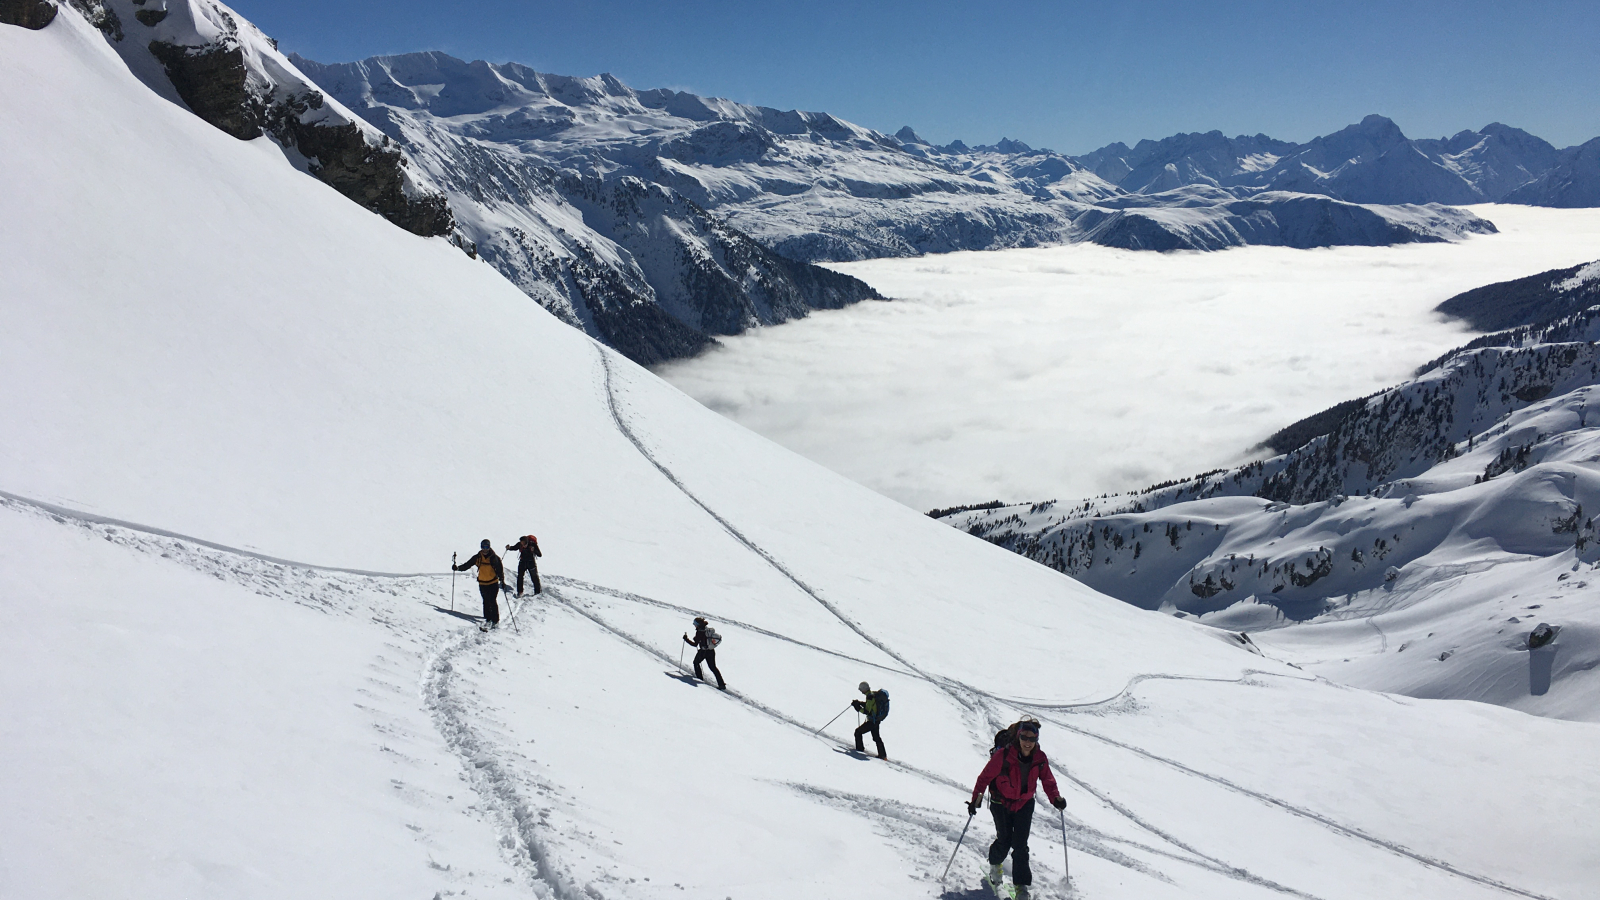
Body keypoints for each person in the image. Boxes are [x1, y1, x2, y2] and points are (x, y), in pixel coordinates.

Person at [967, 718, 1065, 900]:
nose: (1028, 742)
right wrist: (975, 800)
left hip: (1024, 804)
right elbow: (985, 777)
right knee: (1004, 841)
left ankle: (1021, 887)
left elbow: (1048, 780)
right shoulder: (1003, 755)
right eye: (1024, 737)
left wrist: (1056, 798)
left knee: (1020, 846)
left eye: (1032, 739)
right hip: (1000, 803)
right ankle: (995, 867)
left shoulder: (1039, 758)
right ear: (1018, 736)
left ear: (1036, 740)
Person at [454, 539, 507, 629]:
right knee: (485, 601)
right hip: (482, 583)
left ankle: (495, 621)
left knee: (492, 601)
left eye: (486, 547)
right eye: (483, 547)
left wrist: (502, 580)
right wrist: (458, 568)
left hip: (493, 583)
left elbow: (500, 570)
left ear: (489, 547)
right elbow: (467, 565)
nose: (485, 549)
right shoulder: (478, 557)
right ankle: (488, 619)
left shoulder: (494, 558)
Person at [682, 616, 726, 690]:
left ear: (698, 624)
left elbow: (695, 644)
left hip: (703, 651)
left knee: (696, 662)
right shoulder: (707, 630)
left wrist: (686, 639)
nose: (694, 625)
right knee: (713, 667)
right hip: (711, 651)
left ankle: (699, 678)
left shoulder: (699, 632)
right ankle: (721, 684)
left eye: (695, 623)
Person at [851, 681, 889, 760]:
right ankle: (883, 755)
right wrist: (860, 703)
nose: (861, 691)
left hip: (872, 721)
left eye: (861, 689)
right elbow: (871, 705)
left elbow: (867, 711)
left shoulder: (869, 696)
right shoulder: (872, 694)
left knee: (858, 732)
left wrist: (857, 707)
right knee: (876, 737)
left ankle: (859, 750)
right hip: (876, 720)